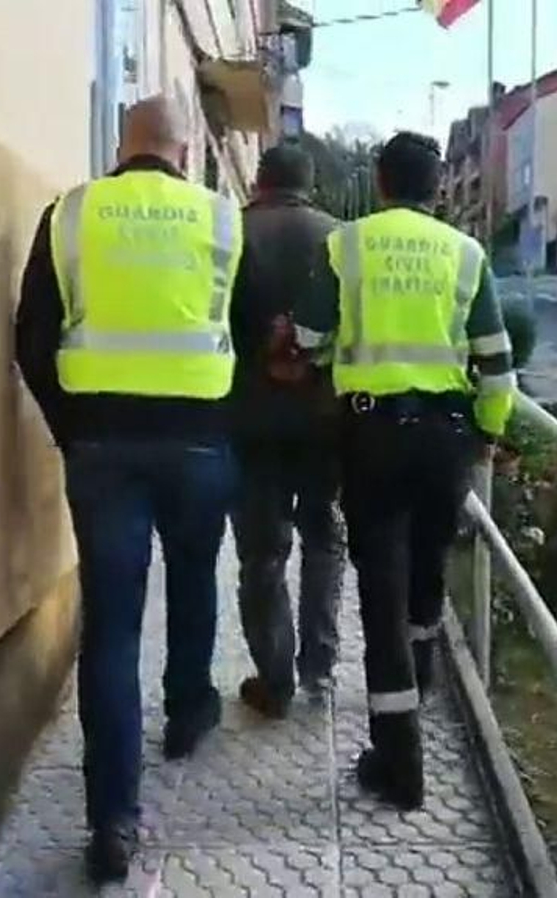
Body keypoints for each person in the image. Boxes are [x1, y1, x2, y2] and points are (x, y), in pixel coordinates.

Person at [13, 95, 243, 884]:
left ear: (123, 141)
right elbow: (239, 327)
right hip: (198, 436)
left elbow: (31, 335)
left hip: (103, 443)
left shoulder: (72, 214)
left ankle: (113, 819)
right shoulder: (219, 219)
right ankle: (186, 712)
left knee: (110, 629)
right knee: (193, 577)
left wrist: (70, 425)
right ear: (184, 151)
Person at [294, 131, 515, 810]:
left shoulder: (347, 245)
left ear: (381, 181)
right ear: (438, 188)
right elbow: (499, 365)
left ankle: (399, 761)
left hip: (373, 438)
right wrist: (487, 433)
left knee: (380, 597)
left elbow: (307, 340)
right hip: (447, 440)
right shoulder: (468, 254)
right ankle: (419, 689)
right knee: (426, 585)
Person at [227, 144, 345, 718]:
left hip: (248, 418)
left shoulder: (229, 231)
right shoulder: (341, 238)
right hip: (323, 418)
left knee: (262, 553)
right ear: (310, 184)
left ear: (258, 181)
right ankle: (320, 669)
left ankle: (274, 679)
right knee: (323, 537)